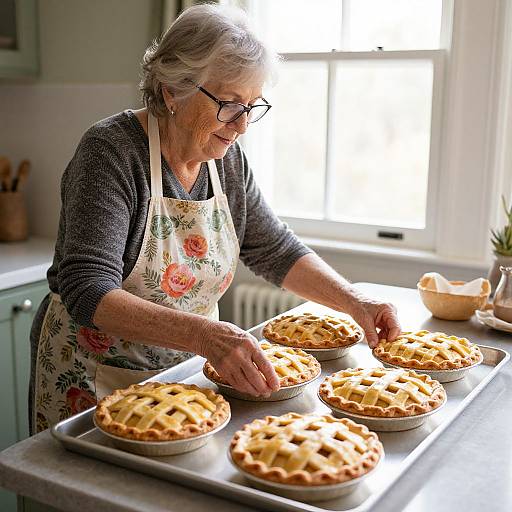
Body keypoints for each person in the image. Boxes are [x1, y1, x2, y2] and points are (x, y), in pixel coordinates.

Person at [29, 4, 401, 434]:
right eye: (228, 104)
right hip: (92, 377)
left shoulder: (226, 159)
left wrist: (355, 301)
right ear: (173, 90)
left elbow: (274, 248)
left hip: (182, 377)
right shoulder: (111, 152)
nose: (242, 125)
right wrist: (207, 337)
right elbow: (87, 288)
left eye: (252, 106)